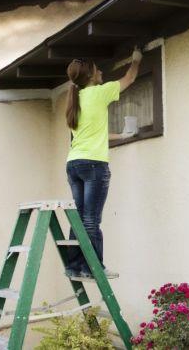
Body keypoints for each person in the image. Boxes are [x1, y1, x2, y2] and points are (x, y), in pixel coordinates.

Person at [63, 47, 143, 278]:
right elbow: (130, 78)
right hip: (94, 165)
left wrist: (122, 136)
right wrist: (136, 59)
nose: (101, 73)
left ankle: (74, 266)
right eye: (98, 70)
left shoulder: (74, 102)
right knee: (91, 219)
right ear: (90, 75)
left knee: (79, 217)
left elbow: (92, 135)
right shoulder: (100, 92)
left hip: (74, 164)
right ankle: (93, 267)